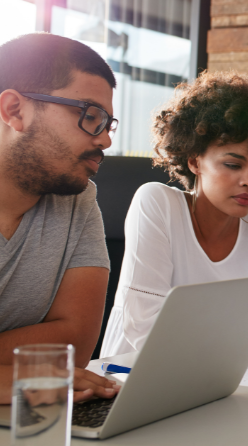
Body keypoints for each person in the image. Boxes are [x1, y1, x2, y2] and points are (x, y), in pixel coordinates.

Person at [99, 71, 248, 358]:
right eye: (233, 165)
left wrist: (223, 332)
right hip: (130, 376)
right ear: (195, 161)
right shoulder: (156, 203)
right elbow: (149, 332)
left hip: (223, 368)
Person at [0, 33, 122, 403]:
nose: (105, 141)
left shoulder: (78, 199)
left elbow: (75, 346)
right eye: (90, 116)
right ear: (15, 111)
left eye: (107, 123)